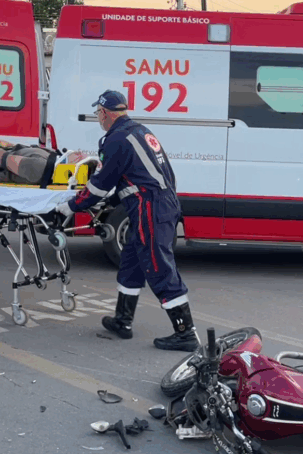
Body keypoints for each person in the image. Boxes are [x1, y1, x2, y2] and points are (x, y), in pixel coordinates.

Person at [55, 90, 200, 352]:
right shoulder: (139, 130)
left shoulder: (117, 139)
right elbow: (138, 175)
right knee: (132, 263)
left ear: (107, 113)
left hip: (150, 207)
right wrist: (117, 201)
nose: (98, 118)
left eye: (98, 113)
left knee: (158, 266)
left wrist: (70, 207)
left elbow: (100, 184)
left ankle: (185, 332)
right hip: (158, 202)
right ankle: (123, 321)